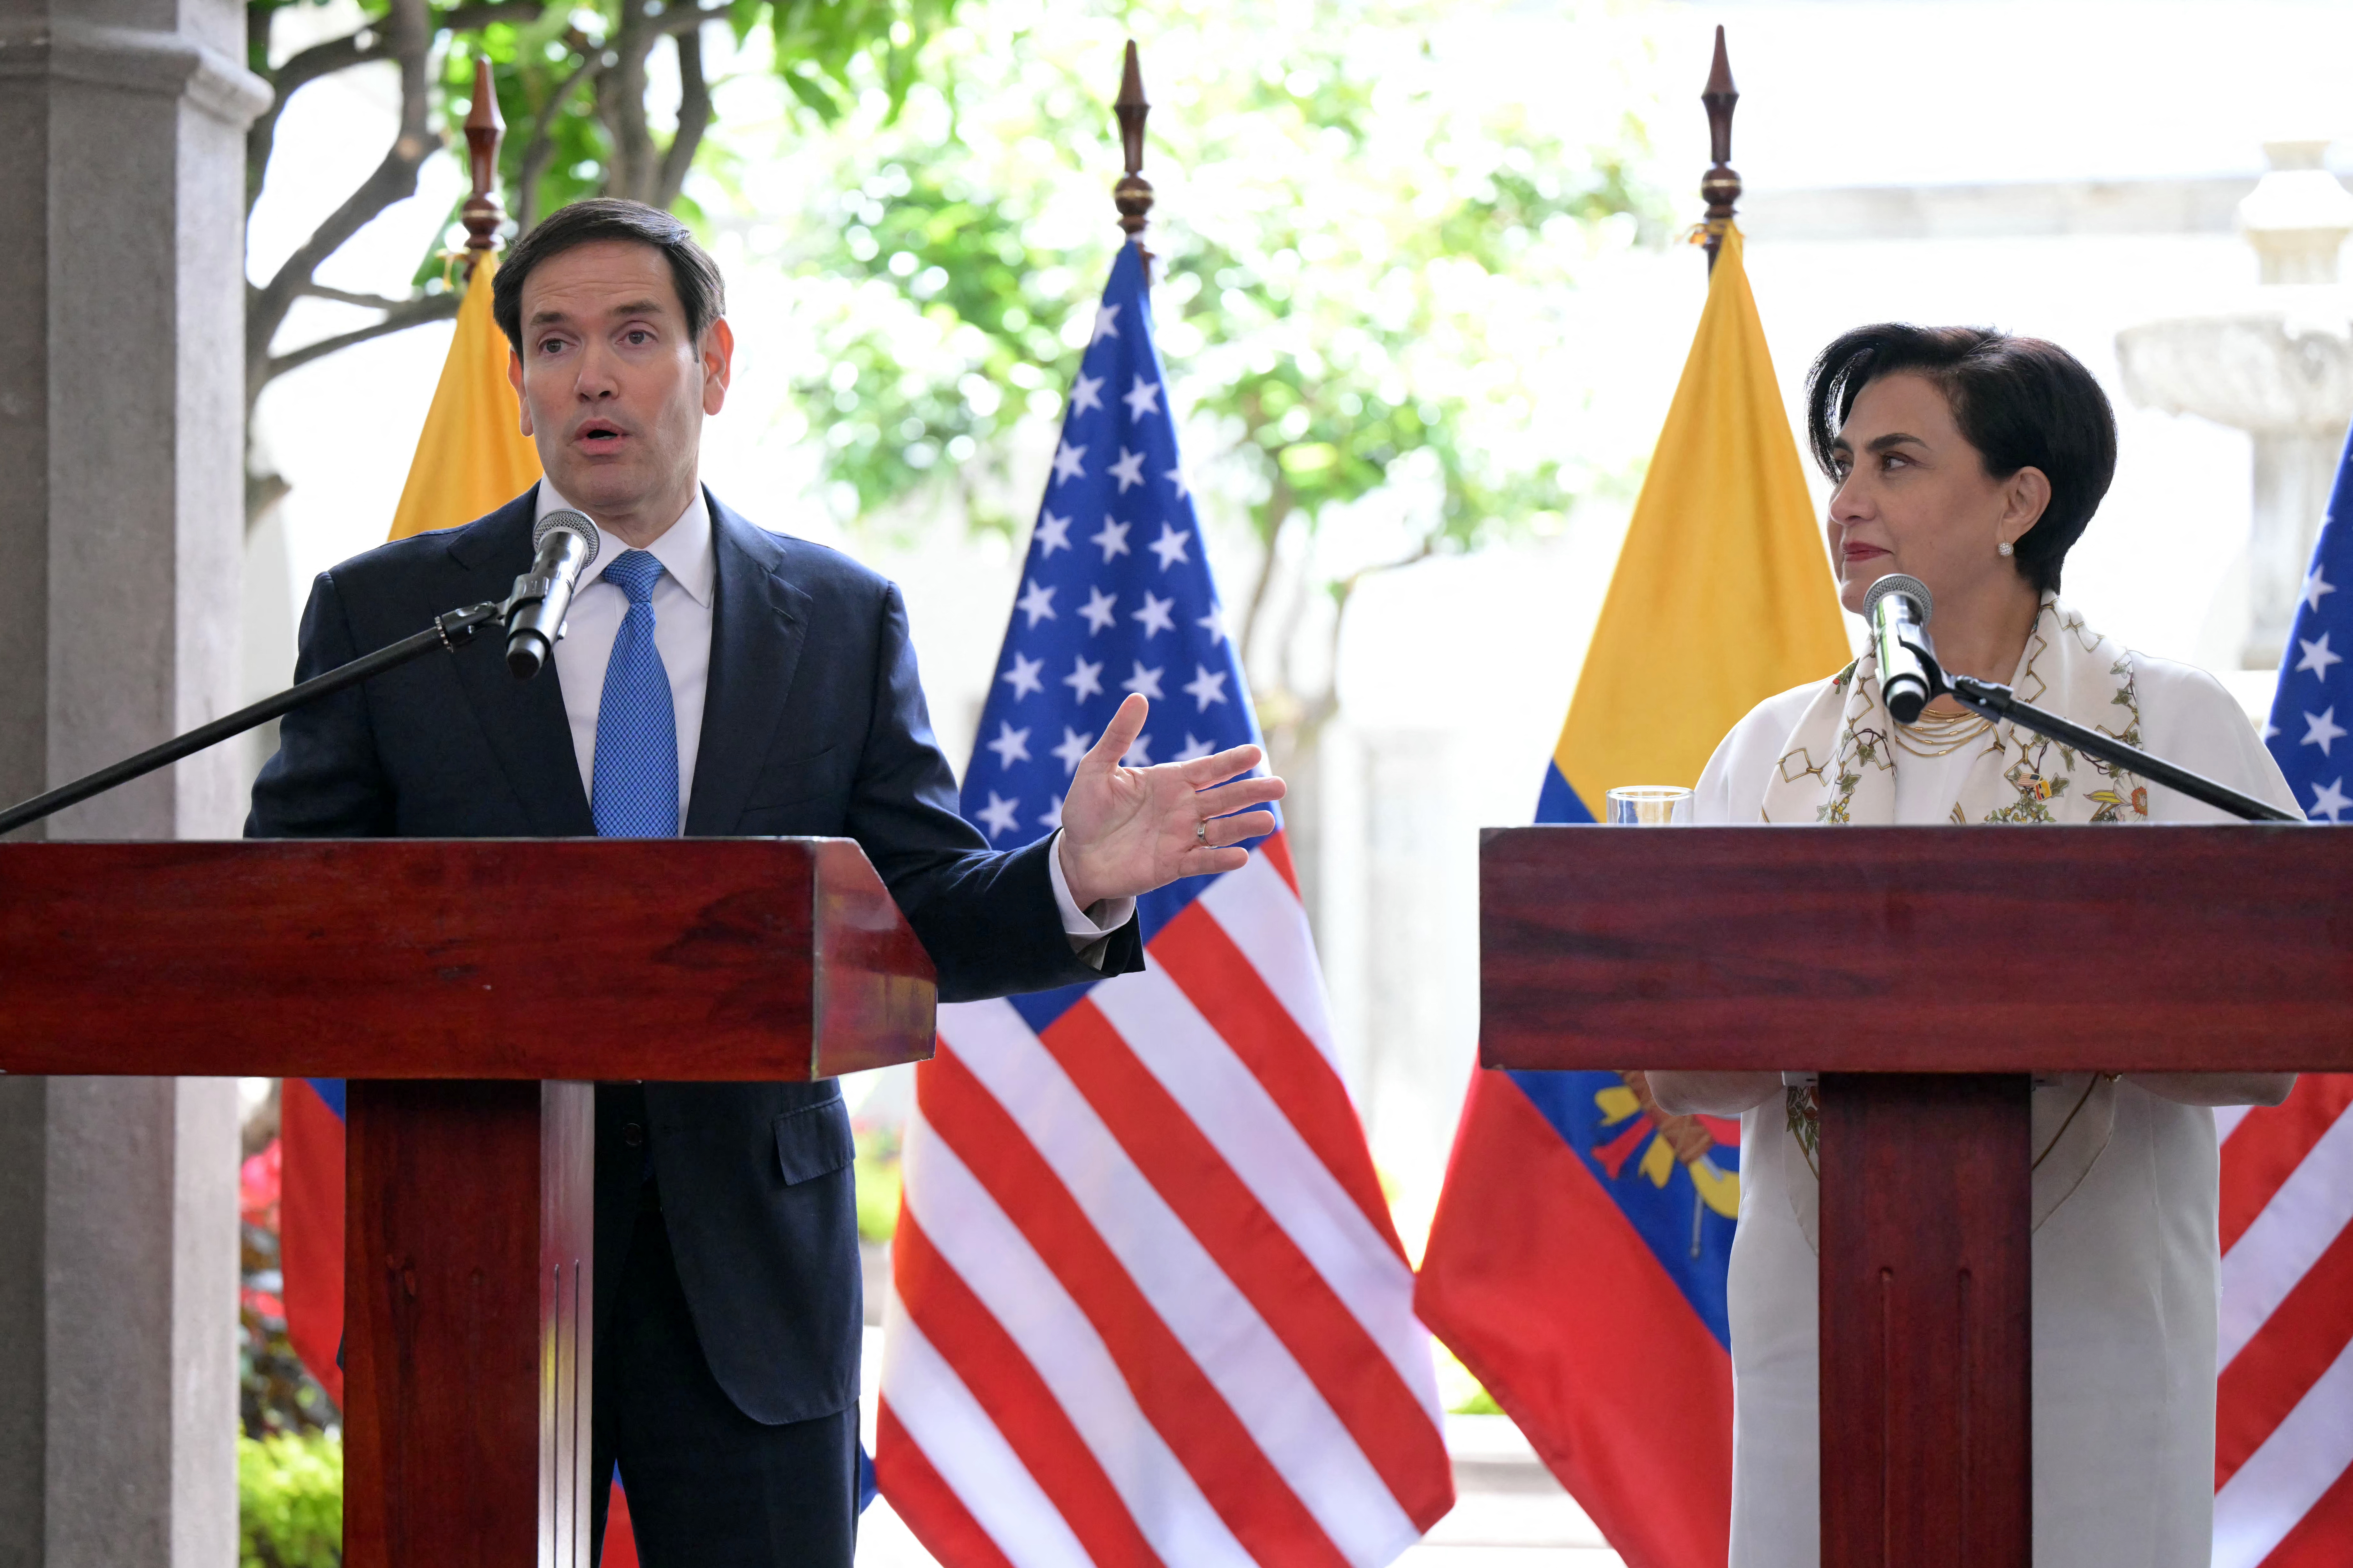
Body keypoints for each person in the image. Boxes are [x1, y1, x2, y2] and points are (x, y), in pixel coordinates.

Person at [245, 198, 1282, 1568]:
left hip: (746, 1265)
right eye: (553, 343)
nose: (592, 374)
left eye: (633, 335)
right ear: (519, 385)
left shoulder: (838, 621)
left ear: (714, 364)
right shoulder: (390, 616)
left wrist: (1068, 880)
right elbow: (288, 918)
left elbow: (907, 914)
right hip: (469, 1244)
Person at [1651, 323, 2296, 1568]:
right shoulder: (1764, 753)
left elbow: (2259, 1051)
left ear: (2019, 500)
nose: (1845, 500)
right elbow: (1690, 1071)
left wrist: (2015, 1006)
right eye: (1840, 462)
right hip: (1825, 1336)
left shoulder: (2168, 728)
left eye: (1895, 461)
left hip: (2086, 1341)